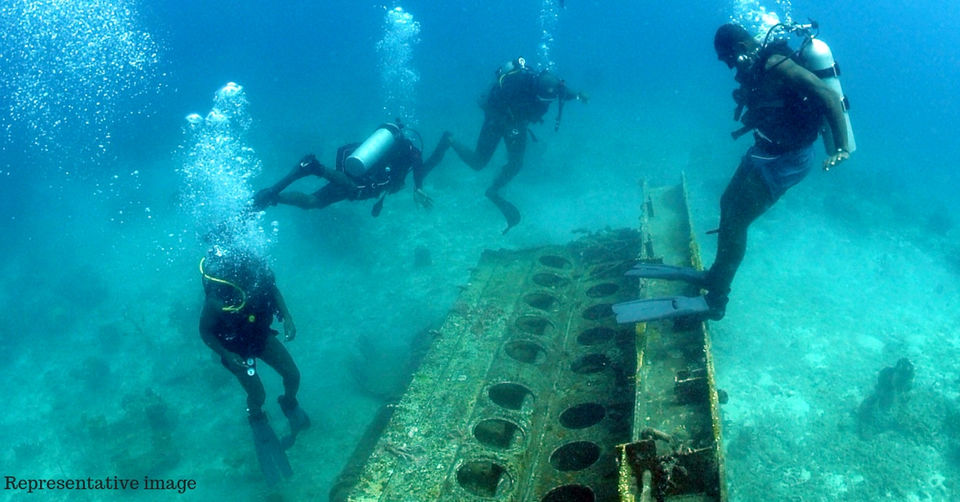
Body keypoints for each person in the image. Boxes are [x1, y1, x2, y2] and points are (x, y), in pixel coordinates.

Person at [613, 22, 851, 323]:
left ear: (738, 48)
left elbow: (827, 96)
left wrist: (840, 148)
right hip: (764, 148)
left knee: (737, 222)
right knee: (727, 204)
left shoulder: (775, 63)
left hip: (787, 160)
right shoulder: (756, 64)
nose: (726, 66)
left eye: (725, 58)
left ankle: (716, 301)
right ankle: (715, 275)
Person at [198, 245, 310, 485]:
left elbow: (274, 290)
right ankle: (256, 416)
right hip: (236, 348)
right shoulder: (218, 297)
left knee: (292, 374)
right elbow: (205, 332)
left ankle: (288, 402)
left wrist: (288, 317)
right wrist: (226, 354)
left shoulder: (258, 276)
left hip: (260, 337)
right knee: (257, 393)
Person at [440, 56, 587, 234]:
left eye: (548, 100)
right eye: (543, 100)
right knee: (478, 163)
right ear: (537, 91)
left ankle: (493, 189)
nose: (546, 103)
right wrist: (507, 124)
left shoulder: (552, 87)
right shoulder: (516, 84)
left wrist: (578, 95)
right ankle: (450, 140)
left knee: (516, 163)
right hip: (496, 119)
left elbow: (565, 93)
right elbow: (492, 104)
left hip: (518, 123)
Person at [253, 122, 448, 216]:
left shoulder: (377, 148)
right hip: (364, 185)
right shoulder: (411, 150)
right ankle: (316, 169)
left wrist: (341, 172)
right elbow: (419, 167)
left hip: (350, 177)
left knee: (313, 202)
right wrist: (418, 186)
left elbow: (344, 149)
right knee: (343, 191)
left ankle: (273, 197)